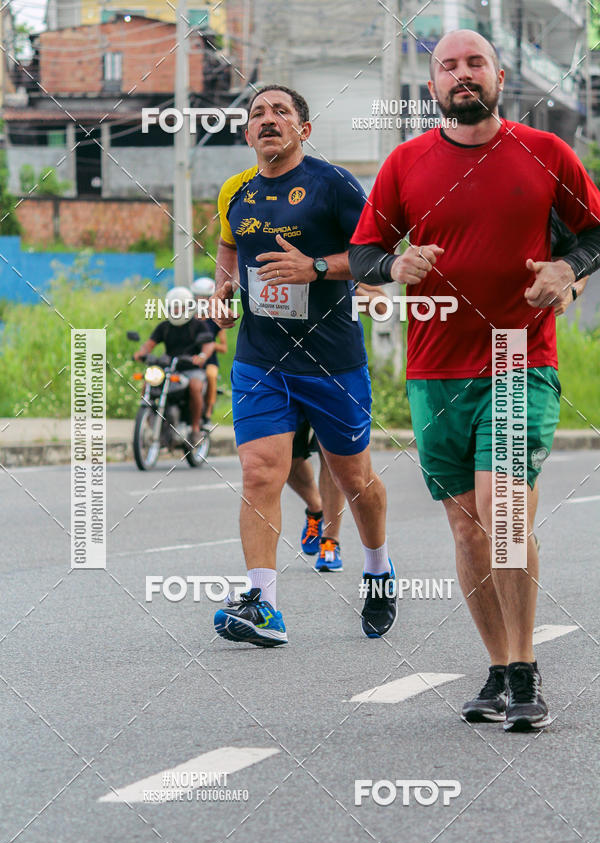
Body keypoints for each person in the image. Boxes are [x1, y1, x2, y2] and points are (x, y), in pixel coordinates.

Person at [349, 30, 600, 730]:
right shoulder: (404, 164)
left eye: (475, 63)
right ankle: (499, 667)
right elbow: (364, 252)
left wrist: (568, 271)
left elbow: (596, 234)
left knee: (504, 511)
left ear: (496, 76)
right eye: (449, 66)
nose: (463, 75)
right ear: (432, 86)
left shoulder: (546, 154)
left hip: (520, 358)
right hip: (435, 370)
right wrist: (393, 267)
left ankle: (525, 674)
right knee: (466, 531)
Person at [209, 84, 395, 647]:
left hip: (331, 361)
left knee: (353, 477)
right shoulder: (233, 192)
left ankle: (378, 569)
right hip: (260, 360)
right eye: (258, 114)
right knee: (260, 471)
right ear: (247, 133)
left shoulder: (332, 184)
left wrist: (315, 266)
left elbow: (375, 258)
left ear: (303, 130)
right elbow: (228, 248)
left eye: (281, 112)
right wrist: (223, 290)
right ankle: (263, 605)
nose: (269, 120)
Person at [134, 287, 217, 446]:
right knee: (149, 381)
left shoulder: (198, 325)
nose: (177, 310)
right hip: (170, 368)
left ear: (189, 307)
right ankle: (150, 420)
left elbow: (209, 344)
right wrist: (141, 353)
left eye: (180, 306)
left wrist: (202, 356)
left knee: (195, 386)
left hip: (192, 368)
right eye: (173, 307)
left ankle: (194, 429)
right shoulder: (164, 327)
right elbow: (149, 344)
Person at [290, 420, 345, 572]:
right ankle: (316, 508)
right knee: (284, 456)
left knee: (332, 455)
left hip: (334, 396)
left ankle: (330, 540)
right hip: (289, 395)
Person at [192, 276, 227, 426]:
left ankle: (208, 411)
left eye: (204, 298)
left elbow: (224, 347)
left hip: (209, 361)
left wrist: (211, 345)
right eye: (197, 297)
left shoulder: (215, 321)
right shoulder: (188, 318)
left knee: (211, 375)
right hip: (191, 358)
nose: (200, 300)